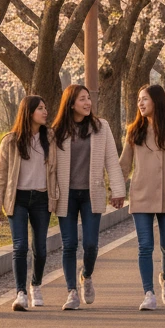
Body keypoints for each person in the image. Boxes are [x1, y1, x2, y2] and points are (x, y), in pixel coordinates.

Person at [51, 85, 126, 311]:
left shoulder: (101, 127)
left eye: (88, 99)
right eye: (82, 99)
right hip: (67, 195)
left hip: (91, 193)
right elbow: (50, 167)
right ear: (71, 103)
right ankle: (71, 292)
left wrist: (118, 189)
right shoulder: (57, 131)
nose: (87, 103)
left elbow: (112, 160)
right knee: (69, 245)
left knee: (91, 244)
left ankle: (87, 275)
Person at [120, 84, 165, 311]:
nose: (140, 104)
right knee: (145, 246)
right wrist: (117, 191)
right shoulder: (134, 130)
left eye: (145, 99)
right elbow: (124, 164)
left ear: (157, 101)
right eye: (139, 100)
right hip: (141, 195)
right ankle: (148, 293)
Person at [0, 95, 56, 312]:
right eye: (41, 109)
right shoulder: (10, 140)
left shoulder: (51, 138)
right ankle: (20, 293)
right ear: (29, 112)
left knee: (41, 249)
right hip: (17, 199)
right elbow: (0, 174)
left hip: (42, 199)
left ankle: (35, 285)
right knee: (20, 246)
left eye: (45, 108)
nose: (45, 112)